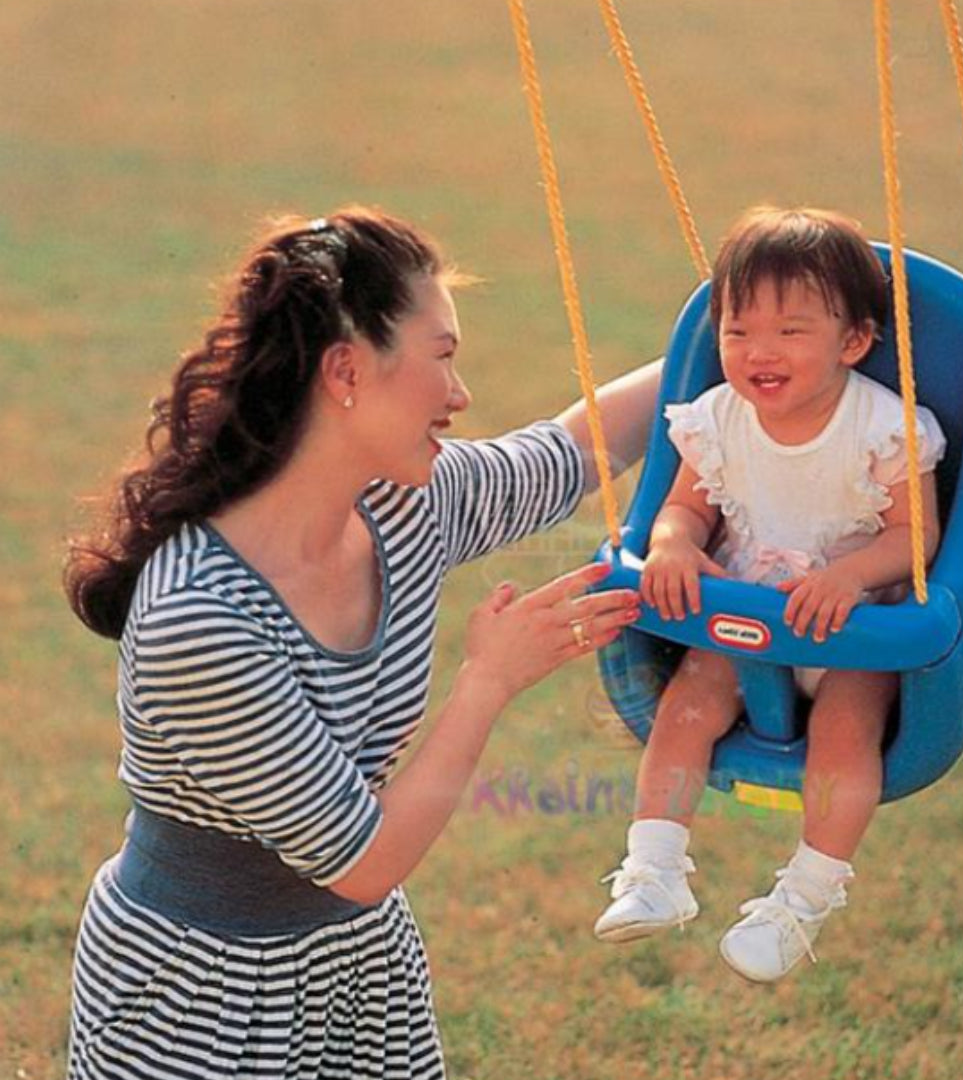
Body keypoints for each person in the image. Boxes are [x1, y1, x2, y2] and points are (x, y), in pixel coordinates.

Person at [62, 205, 660, 1079]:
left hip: (359, 968)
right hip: (199, 989)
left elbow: (566, 456)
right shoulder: (200, 614)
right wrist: (487, 681)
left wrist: (725, 337)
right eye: (443, 357)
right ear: (346, 370)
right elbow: (364, 861)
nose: (460, 396)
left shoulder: (399, 506)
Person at [592, 206, 946, 983]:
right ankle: (653, 870)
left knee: (847, 731)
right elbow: (685, 507)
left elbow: (913, 539)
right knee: (688, 706)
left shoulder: (886, 429)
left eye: (790, 331)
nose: (759, 352)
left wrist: (848, 577)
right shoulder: (718, 418)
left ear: (853, 341)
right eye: (738, 330)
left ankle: (804, 899)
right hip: (743, 616)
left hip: (846, 627)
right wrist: (674, 544)